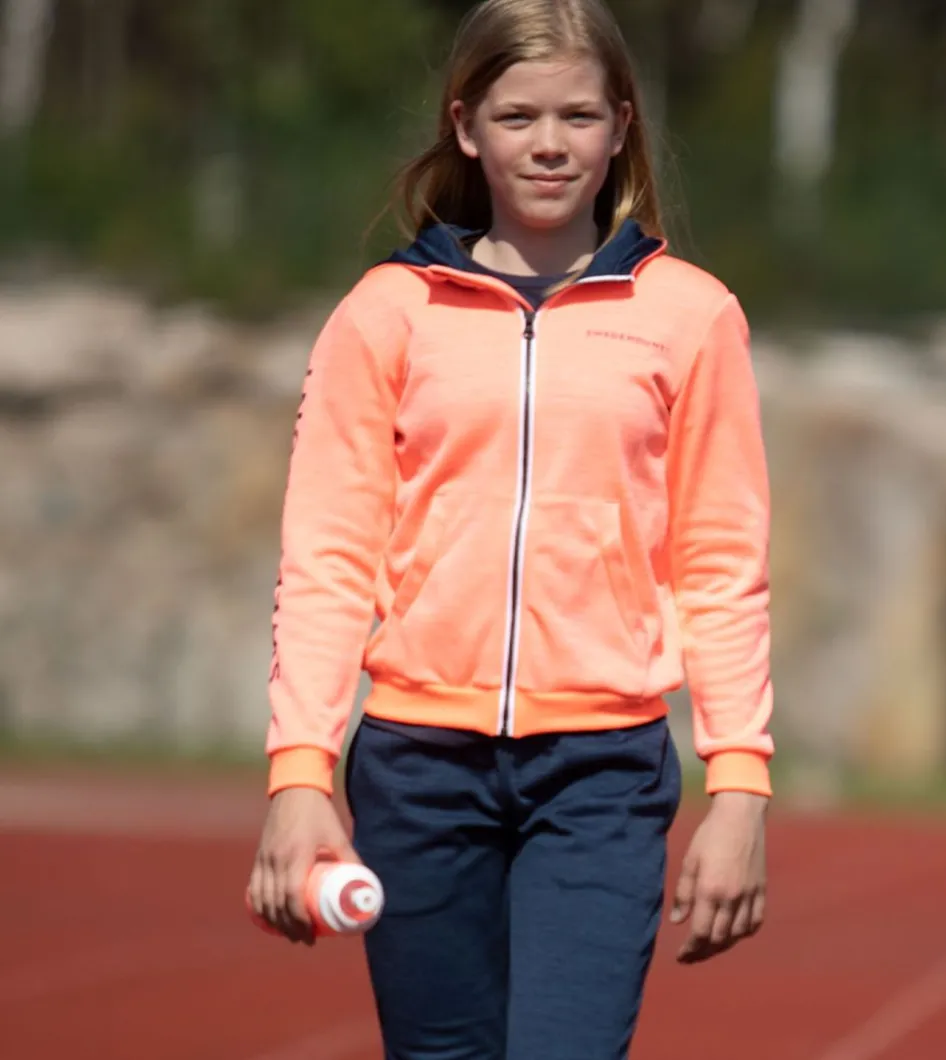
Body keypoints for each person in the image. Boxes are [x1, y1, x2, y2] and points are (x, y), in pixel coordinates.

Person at [247, 0, 774, 1056]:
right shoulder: (386, 314)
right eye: (517, 115)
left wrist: (740, 789)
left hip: (602, 773)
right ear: (465, 126)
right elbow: (327, 561)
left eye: (578, 115)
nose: (548, 144)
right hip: (417, 769)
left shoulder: (690, 315)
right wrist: (299, 775)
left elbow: (721, 565)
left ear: (620, 126)